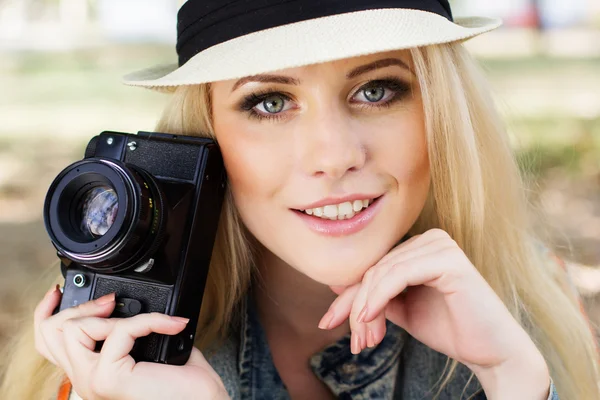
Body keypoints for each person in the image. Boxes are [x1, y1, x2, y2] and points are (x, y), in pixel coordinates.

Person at [1, 1, 599, 399]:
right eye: (268, 102)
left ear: (442, 112)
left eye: (377, 89)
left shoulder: (536, 298)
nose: (333, 155)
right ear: (205, 134)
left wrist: (513, 379)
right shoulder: (100, 364)